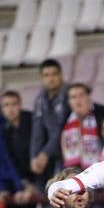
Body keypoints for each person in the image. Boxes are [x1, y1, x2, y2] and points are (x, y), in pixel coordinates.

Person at [29, 59, 68, 189]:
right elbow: (37, 130)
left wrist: (44, 153)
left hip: (68, 153)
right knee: (47, 193)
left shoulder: (69, 95)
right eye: (46, 75)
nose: (51, 79)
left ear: (61, 75)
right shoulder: (40, 100)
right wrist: (34, 156)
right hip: (52, 154)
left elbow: (61, 128)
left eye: (54, 74)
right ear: (41, 78)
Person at [59, 84, 104, 170]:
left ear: (89, 97)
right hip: (72, 170)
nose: (78, 100)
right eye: (73, 97)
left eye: (81, 95)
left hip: (101, 168)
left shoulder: (103, 113)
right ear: (69, 101)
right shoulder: (64, 118)